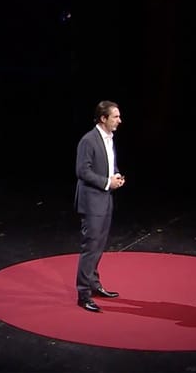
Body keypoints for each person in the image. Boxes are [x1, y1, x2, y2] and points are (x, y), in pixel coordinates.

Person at [74, 100, 125, 312]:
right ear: (103, 118)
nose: (119, 120)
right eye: (116, 117)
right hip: (92, 202)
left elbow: (108, 164)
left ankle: (94, 284)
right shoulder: (88, 140)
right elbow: (82, 171)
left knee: (99, 245)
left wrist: (116, 176)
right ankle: (83, 294)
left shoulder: (109, 139)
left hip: (105, 199)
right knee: (91, 247)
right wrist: (106, 182)